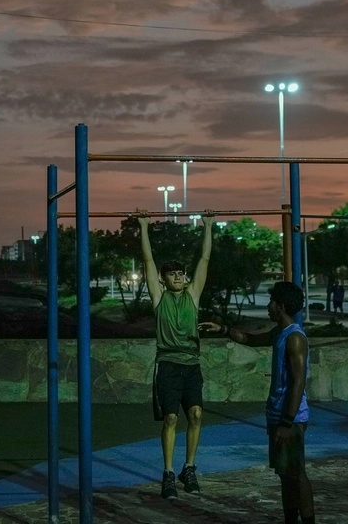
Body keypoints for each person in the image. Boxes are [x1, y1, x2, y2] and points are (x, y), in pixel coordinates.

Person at [202, 282, 316, 524]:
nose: (268, 306)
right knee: (285, 474)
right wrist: (222, 329)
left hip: (290, 418)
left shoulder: (295, 338)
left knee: (297, 474)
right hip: (278, 414)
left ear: (281, 306)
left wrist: (287, 422)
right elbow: (250, 339)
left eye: (271, 302)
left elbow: (298, 383)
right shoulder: (280, 333)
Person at [138, 208, 215, 499]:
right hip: (168, 364)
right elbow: (148, 260)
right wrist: (144, 226)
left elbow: (204, 259)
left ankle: (189, 468)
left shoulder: (193, 295)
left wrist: (208, 226)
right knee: (171, 419)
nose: (180, 277)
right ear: (164, 280)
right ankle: (168, 473)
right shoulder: (159, 299)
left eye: (181, 273)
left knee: (196, 414)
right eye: (174, 274)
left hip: (191, 364)